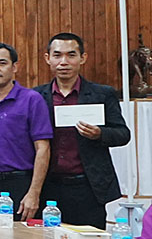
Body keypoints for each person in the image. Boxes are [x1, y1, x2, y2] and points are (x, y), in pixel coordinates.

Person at [35, 33, 131, 228]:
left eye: (71, 55)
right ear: (47, 58)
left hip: (87, 185)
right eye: (57, 55)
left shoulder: (102, 94)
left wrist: (100, 134)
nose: (64, 62)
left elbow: (123, 133)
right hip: (47, 185)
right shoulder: (35, 96)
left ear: (83, 58)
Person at [0, 43, 54, 219]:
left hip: (20, 184)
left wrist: (34, 192)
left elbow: (43, 148)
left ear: (14, 67)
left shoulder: (32, 99)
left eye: (2, 63)